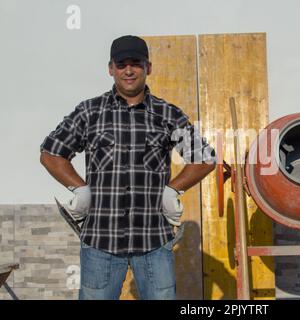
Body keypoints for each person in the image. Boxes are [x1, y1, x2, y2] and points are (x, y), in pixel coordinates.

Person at [39, 35, 216, 300]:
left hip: (153, 241)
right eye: (122, 64)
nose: (129, 70)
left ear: (148, 67)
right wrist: (80, 188)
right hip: (101, 241)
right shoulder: (90, 113)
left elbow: (204, 158)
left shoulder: (167, 115)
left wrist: (172, 189)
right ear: (111, 68)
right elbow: (51, 153)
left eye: (136, 63)